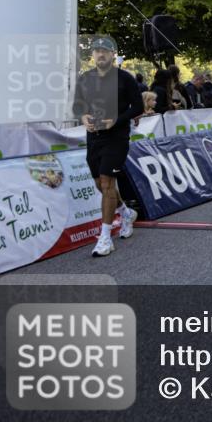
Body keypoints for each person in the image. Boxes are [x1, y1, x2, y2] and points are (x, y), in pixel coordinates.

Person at [72, 36, 143, 257]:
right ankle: (125, 212)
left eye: (105, 50)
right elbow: (78, 106)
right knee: (100, 185)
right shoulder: (85, 78)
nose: (100, 54)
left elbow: (138, 107)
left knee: (107, 182)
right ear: (93, 55)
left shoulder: (125, 78)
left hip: (117, 137)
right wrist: (83, 117)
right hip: (94, 138)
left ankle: (105, 238)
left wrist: (117, 120)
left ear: (113, 54)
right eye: (97, 51)